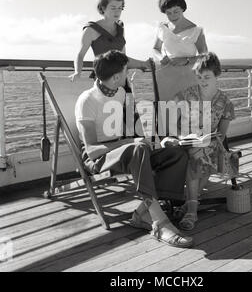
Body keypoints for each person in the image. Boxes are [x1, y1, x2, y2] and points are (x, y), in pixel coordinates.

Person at [75, 50, 193, 248]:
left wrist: (159, 142)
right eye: (125, 71)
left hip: (126, 149)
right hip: (99, 157)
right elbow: (93, 150)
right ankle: (159, 223)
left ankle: (142, 212)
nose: (128, 74)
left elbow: (134, 130)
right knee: (137, 150)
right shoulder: (87, 101)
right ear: (116, 78)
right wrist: (129, 144)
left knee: (176, 152)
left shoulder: (121, 92)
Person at [163, 52, 235, 230]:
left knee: (204, 152)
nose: (202, 81)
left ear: (216, 75)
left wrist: (207, 140)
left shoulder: (226, 102)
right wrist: (181, 137)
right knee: (198, 153)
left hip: (209, 143)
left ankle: (190, 207)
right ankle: (192, 210)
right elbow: (171, 123)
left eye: (207, 77)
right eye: (200, 77)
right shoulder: (185, 95)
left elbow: (222, 135)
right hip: (184, 141)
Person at [69, 0, 150, 84]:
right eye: (113, 8)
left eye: (120, 8)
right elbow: (80, 55)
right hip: (103, 82)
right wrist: (77, 72)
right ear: (103, 8)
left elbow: (124, 59)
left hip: (121, 82)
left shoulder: (120, 28)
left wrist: (144, 64)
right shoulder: (91, 29)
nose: (117, 12)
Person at [153, 0, 208, 66]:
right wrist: (160, 57)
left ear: (182, 8)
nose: (173, 16)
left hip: (190, 76)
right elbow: (155, 49)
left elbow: (205, 57)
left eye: (176, 11)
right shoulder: (162, 28)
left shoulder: (197, 30)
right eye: (168, 13)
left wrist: (186, 60)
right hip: (166, 75)